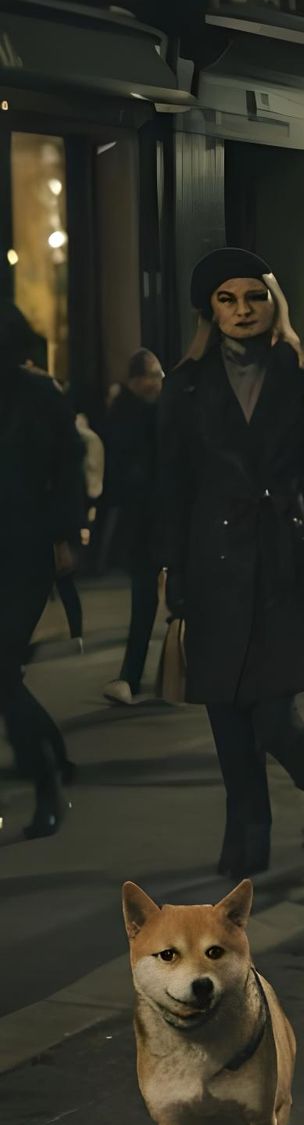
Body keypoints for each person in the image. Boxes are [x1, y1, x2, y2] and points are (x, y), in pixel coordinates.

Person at [159, 249, 304, 880]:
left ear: (274, 303)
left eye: (254, 297)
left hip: (288, 563)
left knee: (273, 713)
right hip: (214, 565)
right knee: (227, 715)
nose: (242, 310)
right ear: (210, 310)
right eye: (228, 299)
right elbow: (169, 485)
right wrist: (170, 569)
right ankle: (245, 848)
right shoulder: (187, 384)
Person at [0, 304, 84, 837]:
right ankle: (49, 756)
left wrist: (66, 536)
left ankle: (47, 777)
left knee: (3, 670)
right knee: (5, 673)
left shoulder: (38, 398)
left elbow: (68, 469)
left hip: (23, 550)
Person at [101, 349, 165, 703]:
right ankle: (135, 675)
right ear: (136, 380)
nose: (158, 383)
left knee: (147, 601)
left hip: (148, 520)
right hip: (148, 520)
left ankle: (134, 675)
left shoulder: (128, 412)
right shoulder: (135, 415)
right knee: (148, 600)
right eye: (153, 376)